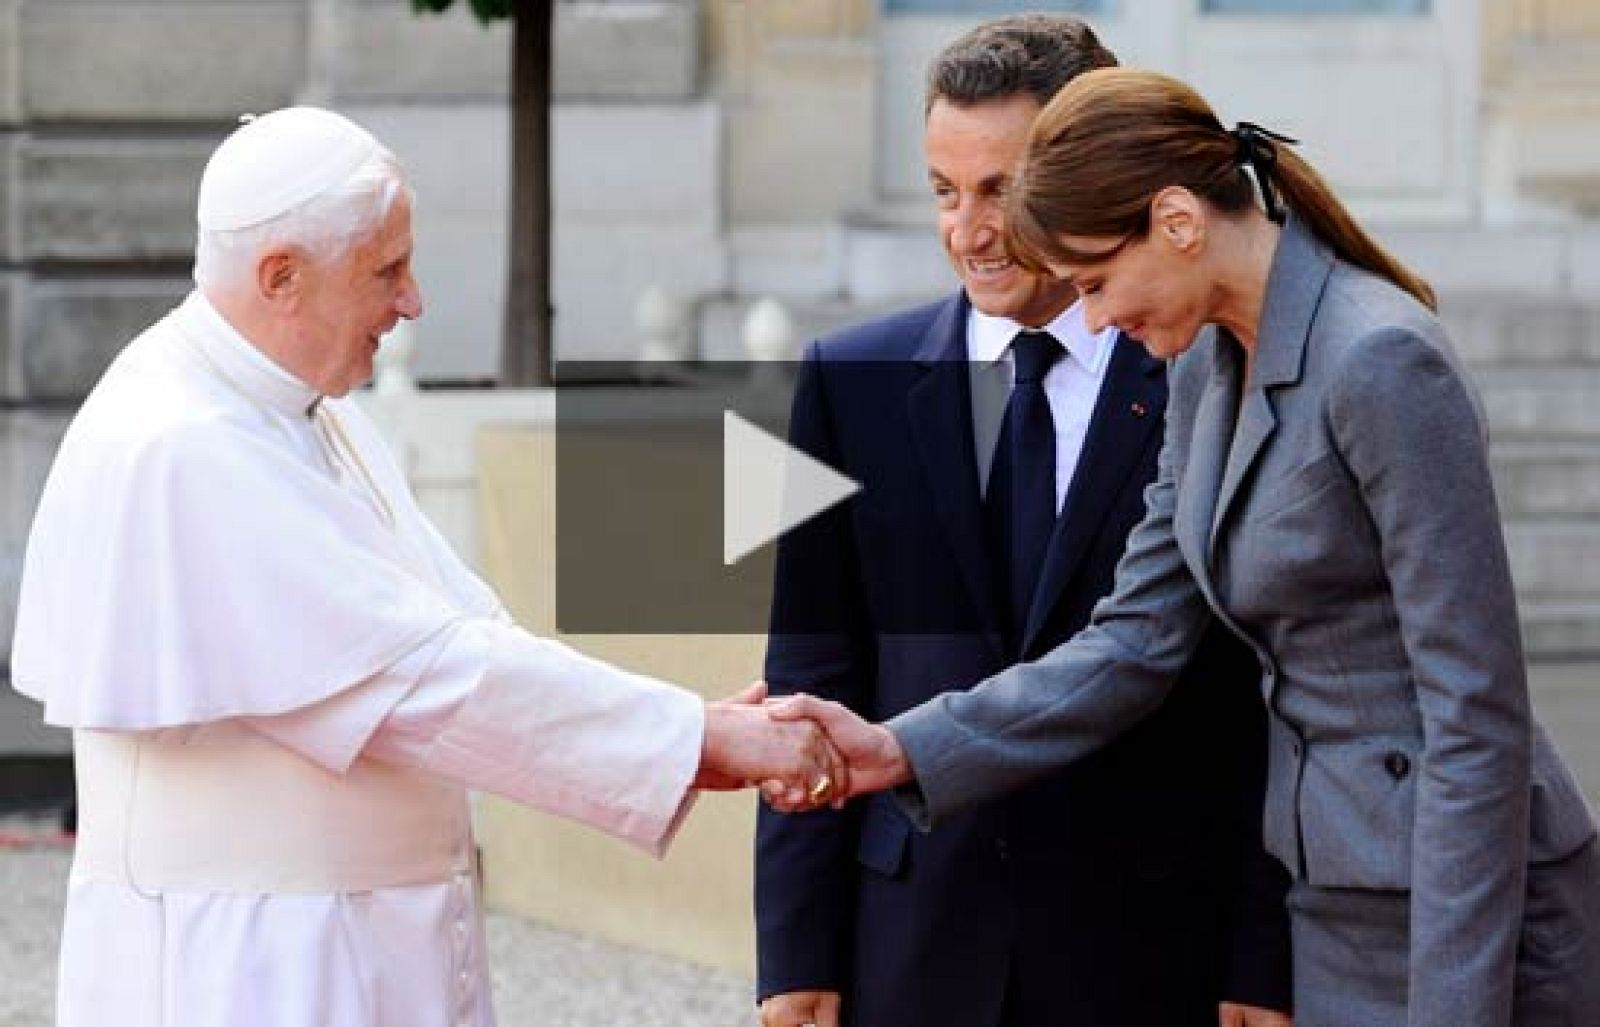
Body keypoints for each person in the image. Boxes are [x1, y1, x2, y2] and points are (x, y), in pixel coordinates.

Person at [772, 67, 1600, 1026]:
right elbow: (1133, 640)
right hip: (1334, 897)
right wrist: (898, 748)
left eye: (1095, 281)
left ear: (1177, 221)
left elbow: (1477, 717)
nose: (1093, 319)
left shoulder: (1382, 359)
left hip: (1461, 914)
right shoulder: (1204, 364)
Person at [9, 106, 839, 1027]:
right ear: (281, 276)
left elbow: (468, 631)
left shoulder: (307, 410)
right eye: (386, 271)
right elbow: (425, 678)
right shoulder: (184, 446)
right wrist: (694, 738)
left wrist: (690, 730)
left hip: (349, 938)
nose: (413, 302)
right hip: (256, 963)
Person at [755, 19, 1291, 1027]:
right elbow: (809, 671)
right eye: (943, 191)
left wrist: (1260, 956)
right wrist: (794, 953)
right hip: (910, 939)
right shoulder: (844, 378)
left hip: (1148, 946)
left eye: (1000, 189)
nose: (968, 231)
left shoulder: (1203, 372)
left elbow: (1258, 686)